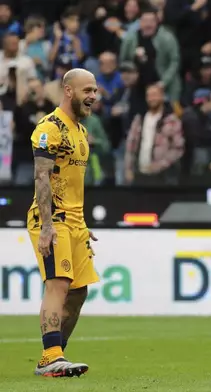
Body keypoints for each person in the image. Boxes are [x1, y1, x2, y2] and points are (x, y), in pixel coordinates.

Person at [28, 68, 99, 377]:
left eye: (95, 91)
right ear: (69, 91)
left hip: (75, 222)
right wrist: (46, 225)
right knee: (57, 284)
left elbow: (70, 181)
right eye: (87, 90)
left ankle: (58, 355)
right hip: (53, 220)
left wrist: (82, 223)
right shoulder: (49, 127)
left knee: (79, 291)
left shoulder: (81, 132)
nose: (93, 96)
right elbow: (41, 175)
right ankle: (50, 356)